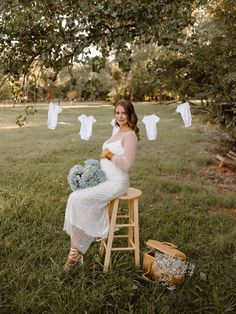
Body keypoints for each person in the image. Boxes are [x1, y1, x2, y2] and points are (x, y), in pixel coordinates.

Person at [63, 99, 140, 269]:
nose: (120, 116)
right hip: (104, 179)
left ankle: (76, 253)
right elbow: (105, 156)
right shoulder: (118, 131)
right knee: (75, 198)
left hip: (117, 182)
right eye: (117, 113)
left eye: (123, 113)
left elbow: (127, 164)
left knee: (76, 199)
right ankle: (78, 250)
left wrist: (109, 155)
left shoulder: (130, 135)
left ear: (130, 114)